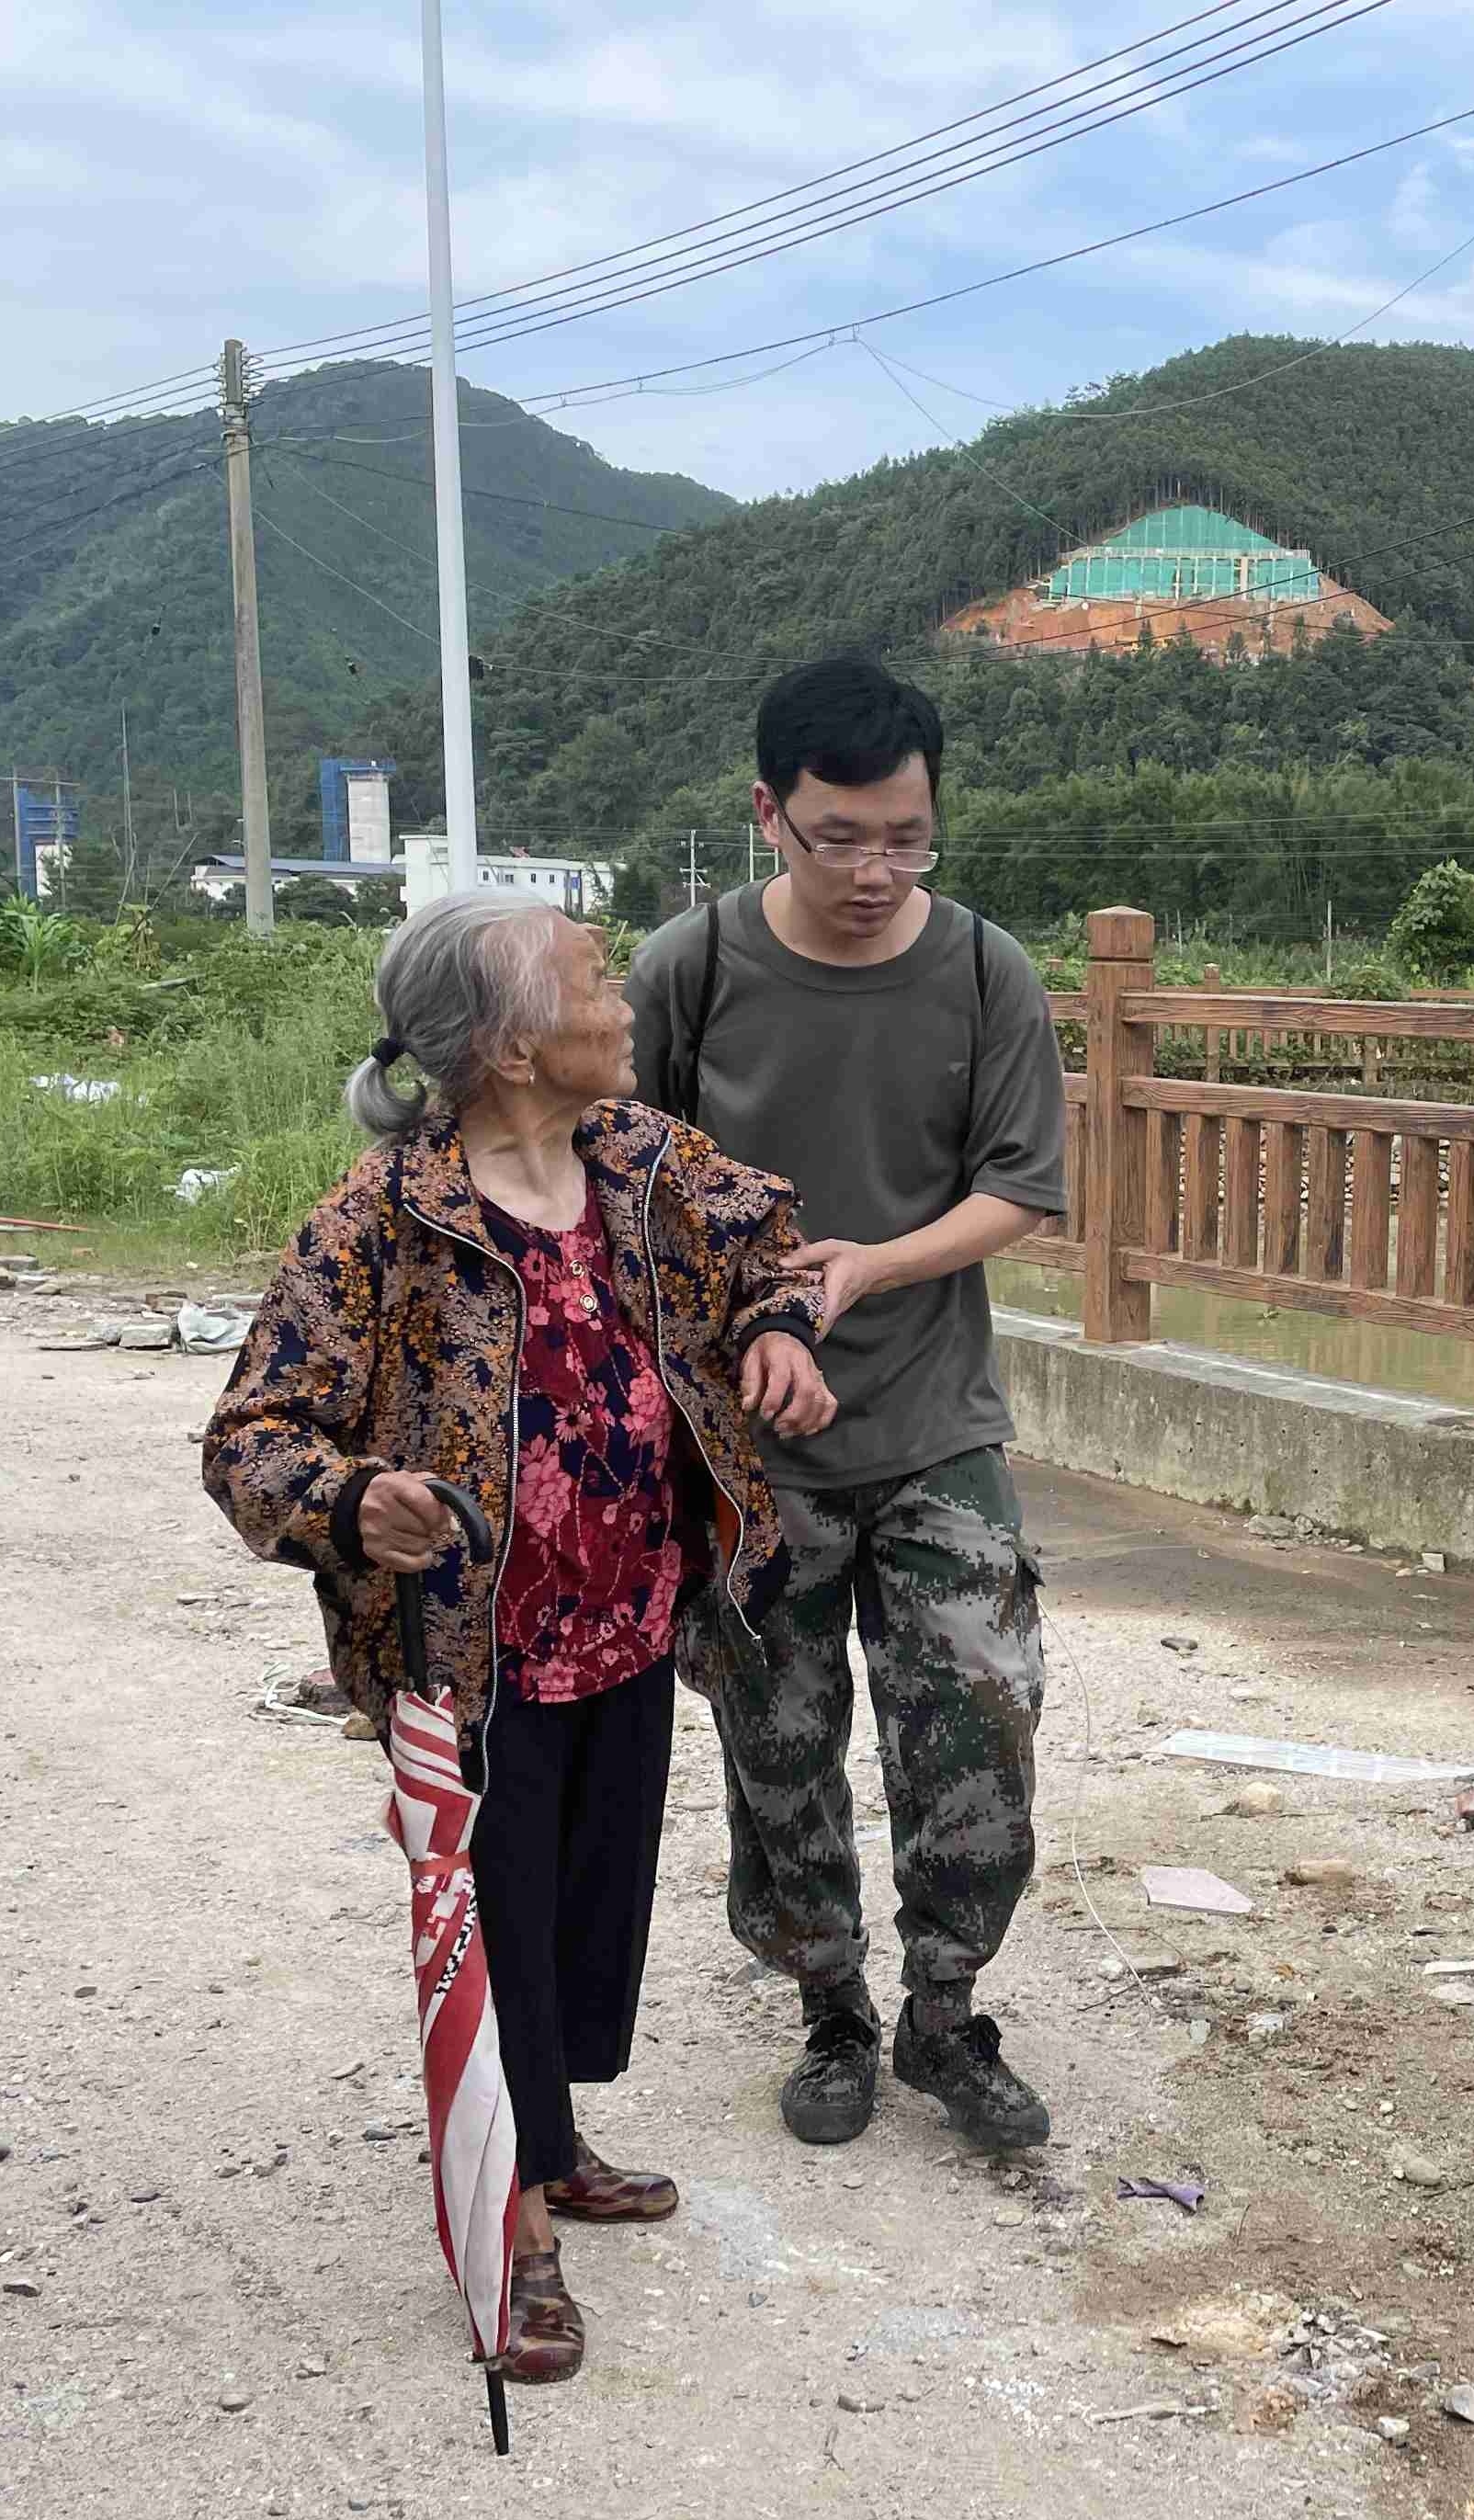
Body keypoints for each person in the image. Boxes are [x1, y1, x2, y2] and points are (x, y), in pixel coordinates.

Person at [203, 888, 839, 2380]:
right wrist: (357, 1499)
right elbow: (251, 1436)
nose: (621, 1004)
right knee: (492, 1936)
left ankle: (548, 2136)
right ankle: (518, 2230)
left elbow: (771, 1246)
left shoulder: (641, 1161)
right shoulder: (383, 1219)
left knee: (586, 1916)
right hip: (471, 1655)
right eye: (592, 979)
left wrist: (778, 1333)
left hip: (629, 1623)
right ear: (506, 1042)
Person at [627, 657, 1073, 2154]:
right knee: (779, 1735)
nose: (879, 869)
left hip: (940, 1419)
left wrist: (873, 1267)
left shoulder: (981, 970)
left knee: (979, 1711)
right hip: (755, 1449)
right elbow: (625, 1193)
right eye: (842, 835)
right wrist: (750, 1324)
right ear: (769, 816)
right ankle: (831, 2004)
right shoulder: (687, 971)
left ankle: (948, 2010)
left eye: (908, 835)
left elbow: (1019, 1187)